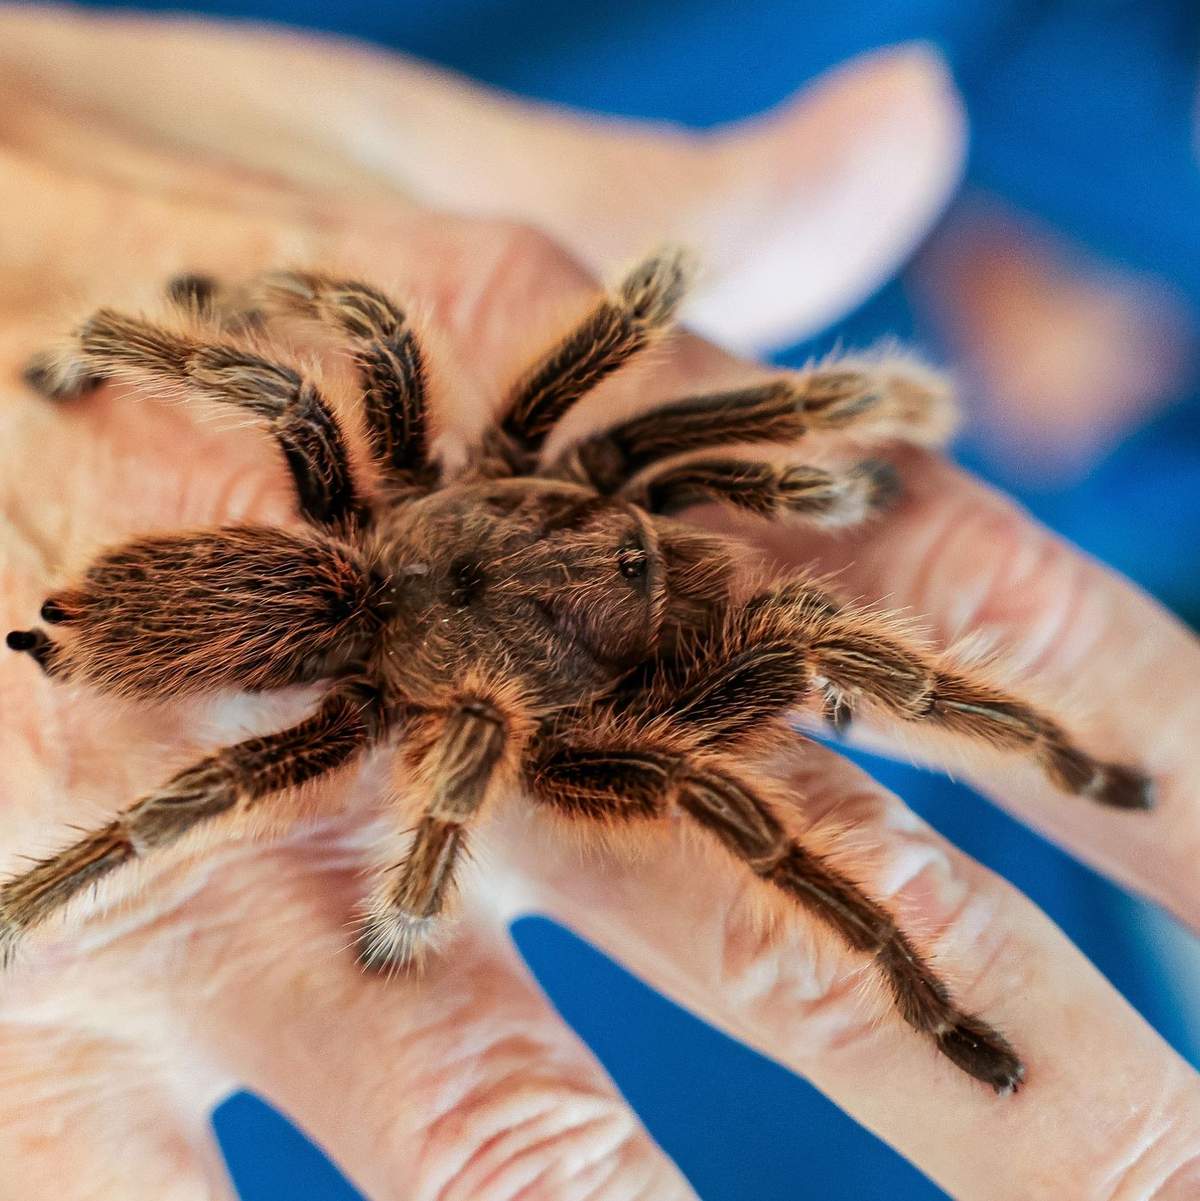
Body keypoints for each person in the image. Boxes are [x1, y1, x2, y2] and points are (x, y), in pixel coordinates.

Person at [2, 10, 1200, 1198]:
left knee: (335, 376)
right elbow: (484, 723)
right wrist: (414, 897)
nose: (644, 544)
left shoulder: (494, 487)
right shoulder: (514, 681)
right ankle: (924, 960)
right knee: (718, 764)